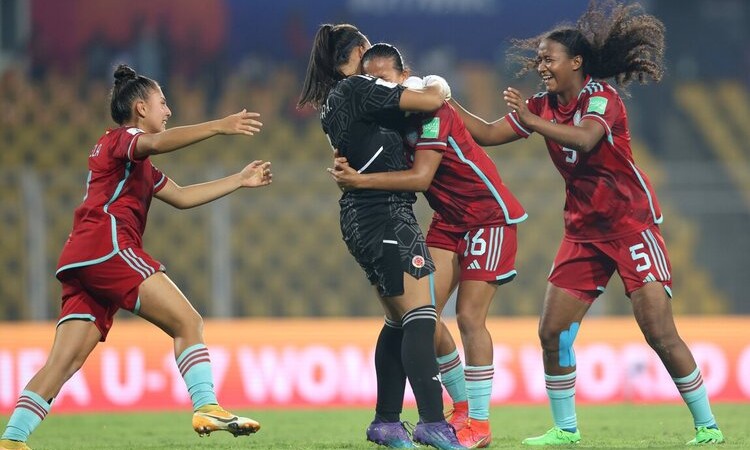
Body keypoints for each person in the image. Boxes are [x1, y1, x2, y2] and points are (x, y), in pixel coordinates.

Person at [450, 1, 724, 446]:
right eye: (538, 58)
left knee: (658, 331)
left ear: (575, 63)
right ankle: (565, 428)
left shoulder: (602, 97)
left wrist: (533, 121)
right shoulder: (542, 105)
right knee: (552, 332)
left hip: (632, 226)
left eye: (548, 58)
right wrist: (443, 102)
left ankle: (708, 426)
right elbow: (484, 133)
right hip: (583, 233)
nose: (541, 66)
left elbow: (586, 137)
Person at [0, 64, 273, 450]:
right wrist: (218, 125)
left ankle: (11, 441)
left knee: (62, 363)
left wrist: (238, 180)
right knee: (188, 322)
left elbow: (180, 196)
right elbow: (157, 143)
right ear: (140, 108)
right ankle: (207, 405)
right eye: (163, 103)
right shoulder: (122, 139)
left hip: (82, 259)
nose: (169, 110)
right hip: (108, 247)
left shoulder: (135, 162)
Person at [328, 43, 527, 448]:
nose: (380, 85)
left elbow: (420, 179)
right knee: (423, 319)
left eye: (388, 78)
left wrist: (360, 182)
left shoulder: (431, 113)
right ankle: (461, 408)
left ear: (405, 77)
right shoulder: (398, 119)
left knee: (470, 319)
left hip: (487, 216)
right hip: (449, 220)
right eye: (373, 79)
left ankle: (481, 424)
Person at [298, 24, 464, 450]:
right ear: (360, 50)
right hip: (387, 212)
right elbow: (431, 99)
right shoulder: (358, 87)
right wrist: (436, 83)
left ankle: (387, 422)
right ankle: (432, 421)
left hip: (359, 219)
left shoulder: (331, 102)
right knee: (421, 317)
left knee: (397, 320)